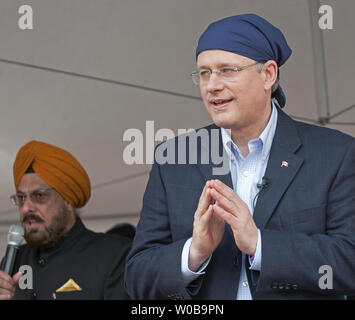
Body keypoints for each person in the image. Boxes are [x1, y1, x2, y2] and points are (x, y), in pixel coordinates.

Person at [125, 14, 355, 299]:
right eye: (204, 73)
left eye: (227, 70)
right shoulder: (173, 159)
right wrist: (194, 253)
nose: (212, 85)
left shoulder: (336, 154)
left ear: (268, 74)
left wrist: (260, 245)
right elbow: (137, 277)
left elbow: (349, 261)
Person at [0, 140, 131, 300]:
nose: (26, 208)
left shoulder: (115, 255)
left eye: (39, 196)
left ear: (68, 200)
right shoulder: (14, 261)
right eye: (21, 198)